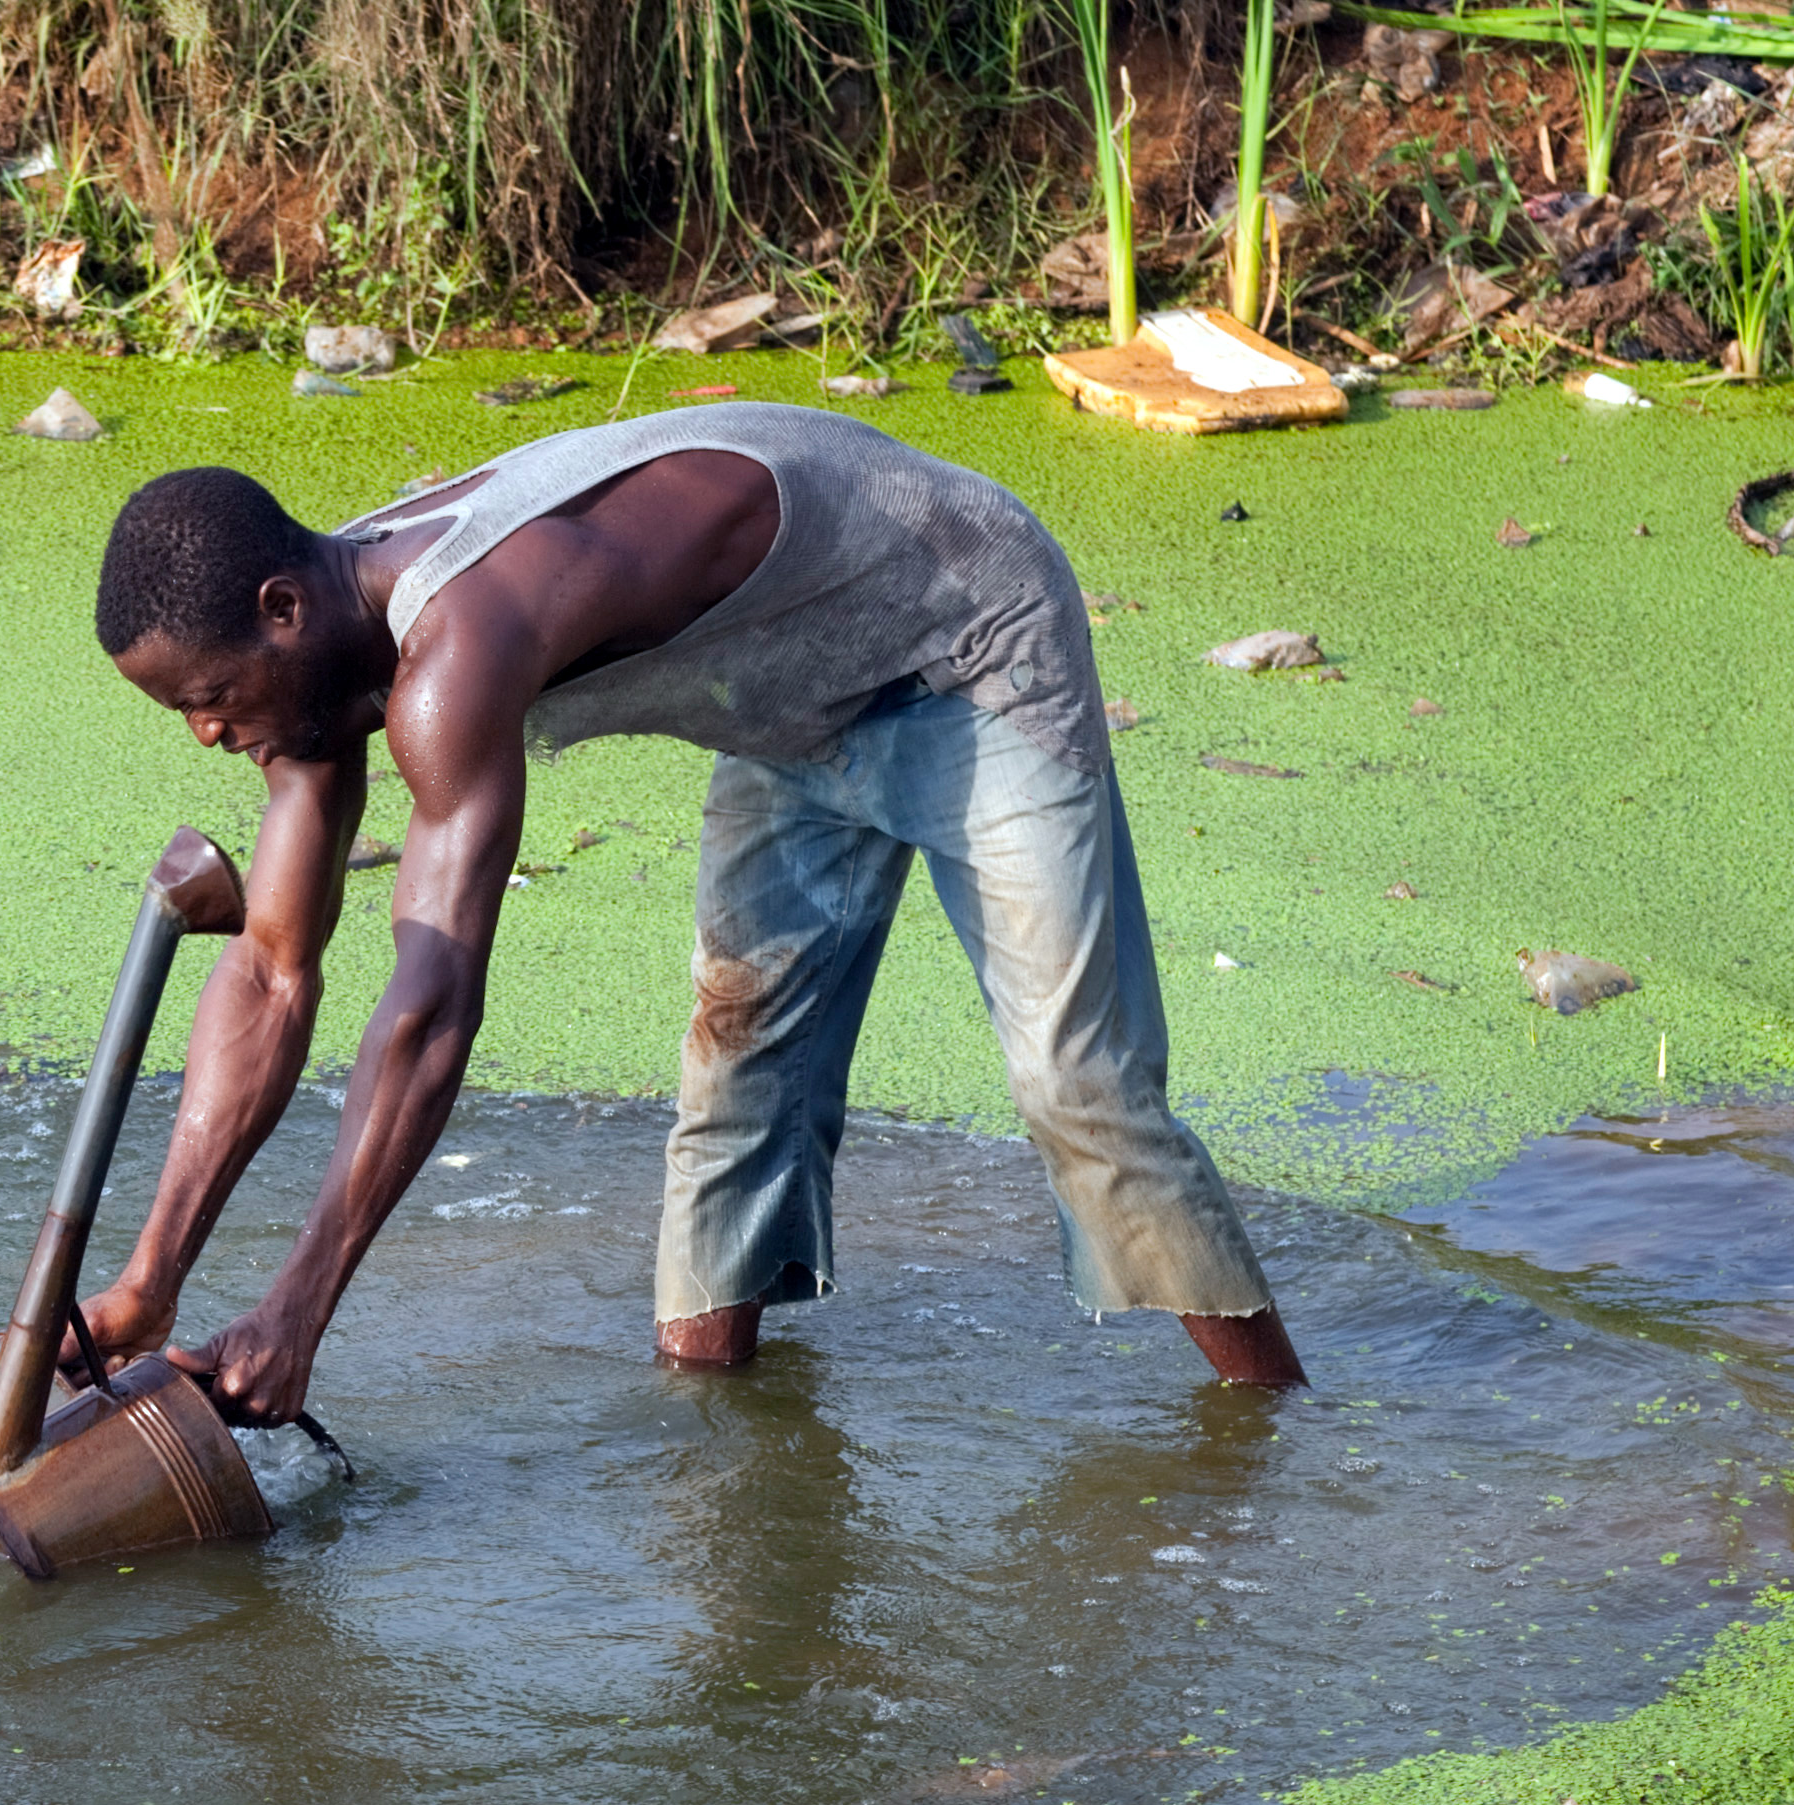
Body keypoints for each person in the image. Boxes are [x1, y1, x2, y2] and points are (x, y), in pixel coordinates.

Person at [72, 405, 1306, 1423]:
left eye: (215, 696)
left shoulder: (456, 645)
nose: (209, 733)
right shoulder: (310, 674)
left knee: (1075, 1086)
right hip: (787, 704)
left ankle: (1282, 1433)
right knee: (733, 1083)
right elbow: (272, 972)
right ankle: (719, 1451)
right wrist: (146, 1283)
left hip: (961, 641)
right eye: (186, 710)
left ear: (282, 609)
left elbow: (432, 996)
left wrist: (296, 1311)